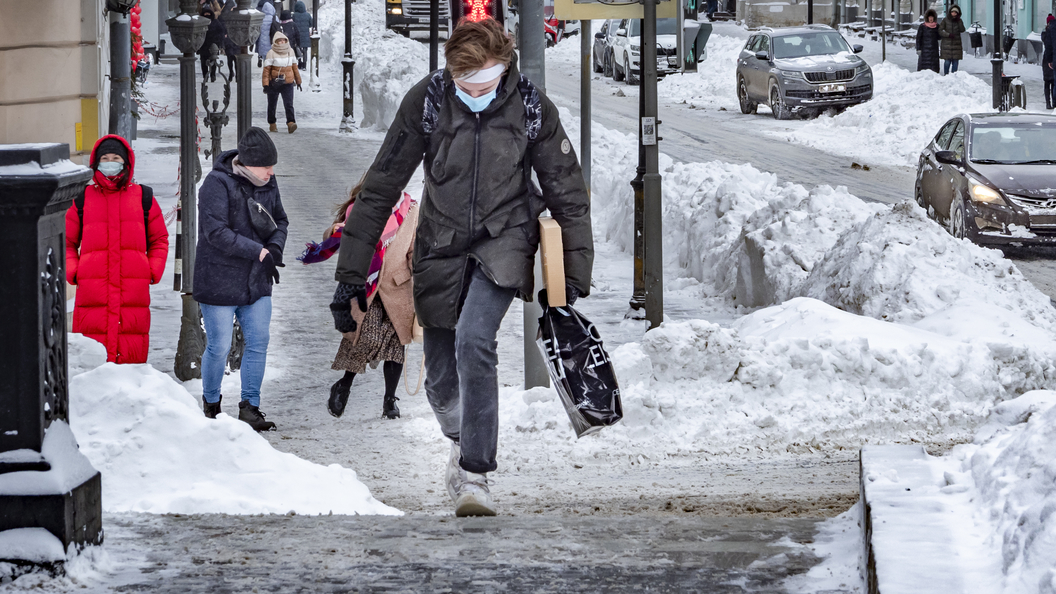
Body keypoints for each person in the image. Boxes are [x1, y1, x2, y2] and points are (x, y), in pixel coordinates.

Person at [330, 18, 593, 517]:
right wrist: (348, 277)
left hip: (505, 238)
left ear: (504, 70)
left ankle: (476, 474)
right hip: (440, 243)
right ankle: (460, 441)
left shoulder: (530, 106)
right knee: (440, 381)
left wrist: (573, 275)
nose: (474, 93)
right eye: (464, 85)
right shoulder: (428, 100)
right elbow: (381, 185)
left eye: (485, 84)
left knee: (476, 338)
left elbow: (567, 190)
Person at [193, 127, 288, 432]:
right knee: (219, 347)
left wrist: (274, 247)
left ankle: (250, 406)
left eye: (272, 166)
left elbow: (280, 220)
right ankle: (211, 405)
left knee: (258, 341)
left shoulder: (268, 183)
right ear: (247, 164)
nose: (271, 172)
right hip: (218, 279)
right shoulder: (216, 184)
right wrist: (258, 251)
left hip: (256, 282)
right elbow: (216, 233)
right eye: (266, 166)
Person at [313, 181, 418, 420]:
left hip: (397, 285)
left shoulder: (411, 210)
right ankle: (344, 385)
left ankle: (390, 400)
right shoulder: (361, 207)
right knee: (364, 337)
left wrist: (422, 275)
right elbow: (339, 240)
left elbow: (414, 249)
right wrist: (335, 232)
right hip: (367, 283)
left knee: (395, 345)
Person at [65, 135, 169, 364]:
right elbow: (66, 242)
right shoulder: (82, 198)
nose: (110, 163)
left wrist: (151, 270)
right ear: (96, 162)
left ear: (126, 163)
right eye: (105, 158)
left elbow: (160, 239)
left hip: (132, 290)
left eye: (115, 158)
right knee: (92, 362)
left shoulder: (144, 197)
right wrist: (74, 271)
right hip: (93, 290)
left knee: (130, 359)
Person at [262, 31, 301, 134]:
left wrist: (298, 81)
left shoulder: (290, 51)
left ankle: (291, 123)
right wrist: (266, 85)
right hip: (274, 83)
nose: (282, 42)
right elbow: (266, 70)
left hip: (288, 82)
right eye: (279, 41)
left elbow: (295, 68)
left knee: (289, 104)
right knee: (272, 104)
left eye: (283, 40)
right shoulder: (271, 53)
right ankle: (272, 123)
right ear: (275, 42)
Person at [198, 9, 234, 81]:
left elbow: (221, 33)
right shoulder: (201, 22)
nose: (207, 15)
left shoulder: (215, 22)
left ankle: (212, 75)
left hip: (213, 45)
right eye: (205, 14)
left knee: (213, 60)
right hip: (203, 45)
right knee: (204, 61)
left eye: (208, 14)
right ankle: (205, 76)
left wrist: (219, 43)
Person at [939, 6, 966, 75]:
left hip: (956, 44)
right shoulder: (945, 20)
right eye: (952, 12)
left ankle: (954, 76)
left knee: (955, 62)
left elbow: (962, 30)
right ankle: (946, 75)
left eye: (955, 12)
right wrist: (948, 35)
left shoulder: (959, 21)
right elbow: (940, 30)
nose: (954, 14)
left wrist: (959, 21)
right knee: (947, 62)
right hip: (946, 44)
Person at [293, 1, 313, 70]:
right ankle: (304, 64)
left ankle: (299, 62)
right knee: (305, 50)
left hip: (297, 35)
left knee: (298, 49)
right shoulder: (307, 15)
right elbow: (311, 24)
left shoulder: (294, 15)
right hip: (305, 35)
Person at [255, 0, 275, 68]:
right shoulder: (274, 18)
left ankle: (266, 75)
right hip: (273, 44)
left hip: (263, 45)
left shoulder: (261, 19)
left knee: (266, 64)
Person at [1043, 14, 1055, 110]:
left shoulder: (1046, 32)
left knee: (1048, 82)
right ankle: (1051, 102)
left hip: (1047, 59)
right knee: (1052, 82)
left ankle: (1048, 102)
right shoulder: (1049, 33)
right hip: (1050, 59)